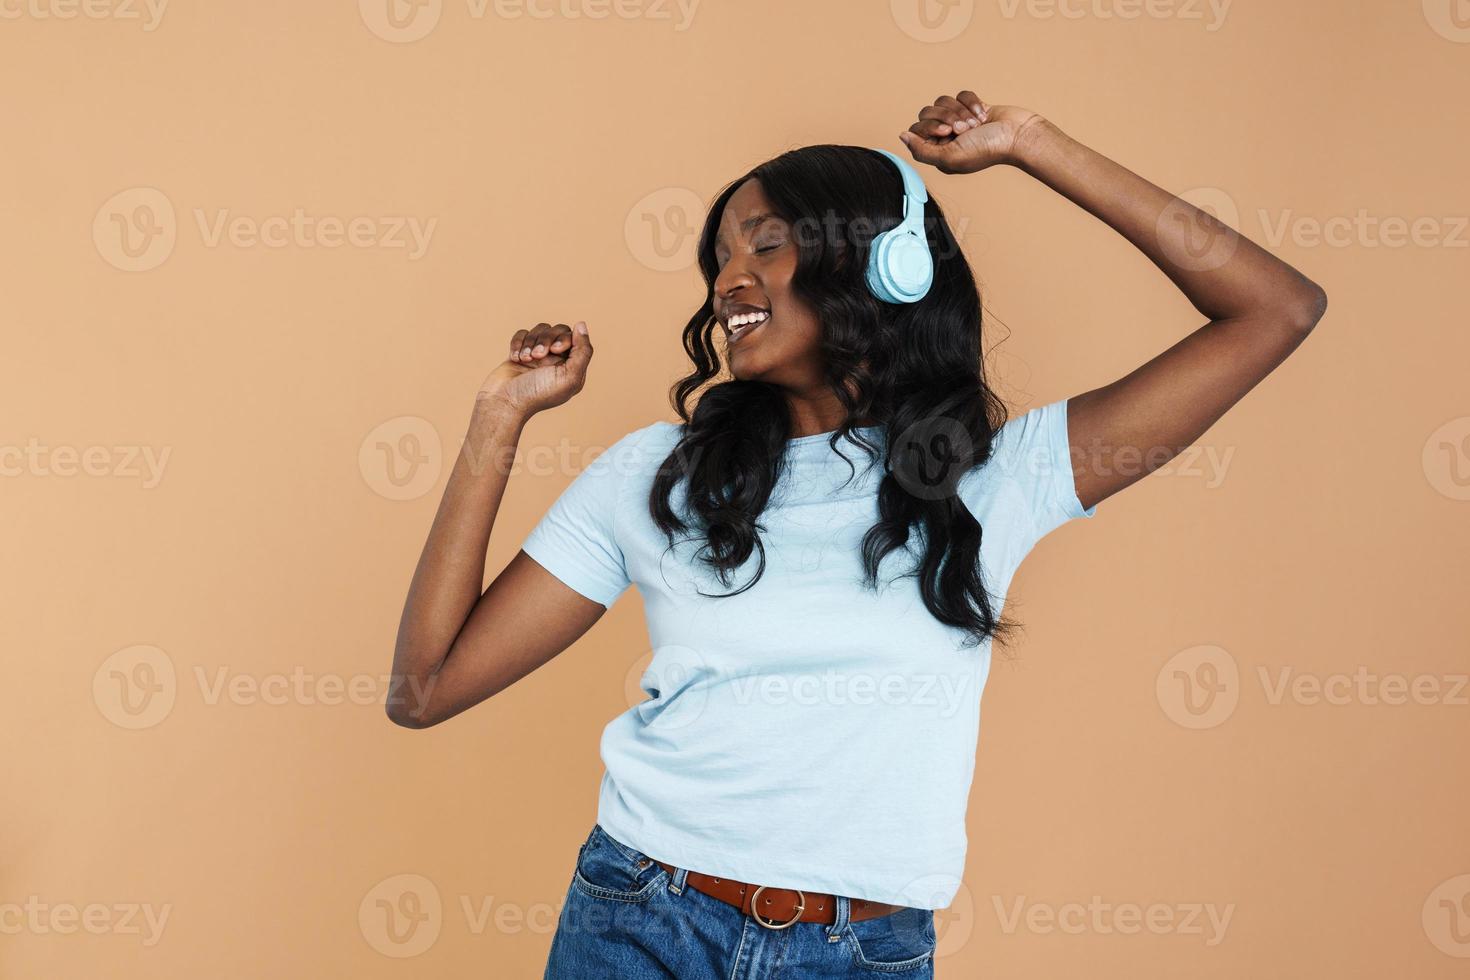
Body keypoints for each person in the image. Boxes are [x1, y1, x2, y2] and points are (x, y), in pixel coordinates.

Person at [386, 89, 1326, 978]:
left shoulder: (998, 475)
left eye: (765, 244)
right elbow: (424, 689)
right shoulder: (657, 474)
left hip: (861, 950)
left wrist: (1036, 145)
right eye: (719, 255)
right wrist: (496, 421)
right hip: (641, 913)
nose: (728, 281)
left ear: (885, 263)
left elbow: (1274, 309)